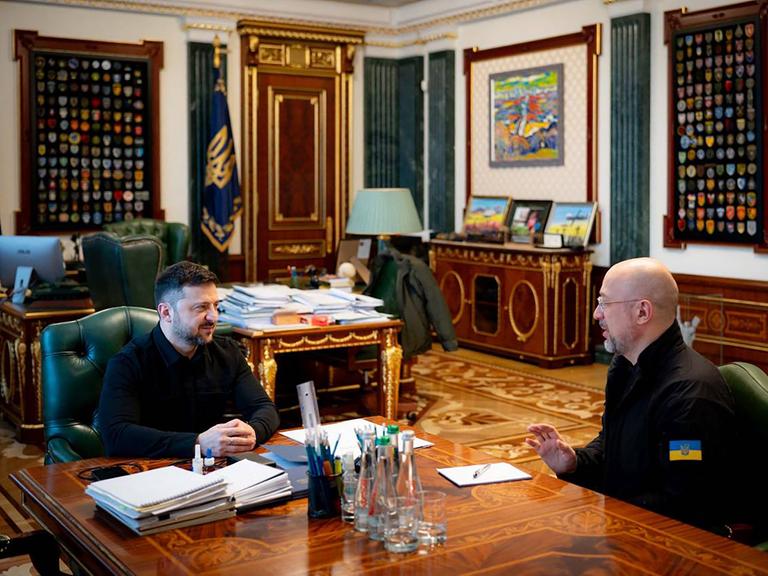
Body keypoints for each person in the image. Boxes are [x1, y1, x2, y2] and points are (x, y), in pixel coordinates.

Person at [525, 257, 735, 533]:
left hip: (672, 543)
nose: (597, 314)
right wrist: (575, 462)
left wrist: (605, 514)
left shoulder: (690, 394)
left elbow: (683, 506)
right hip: (624, 526)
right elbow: (611, 445)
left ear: (642, 312)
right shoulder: (625, 366)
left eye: (604, 303)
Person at [98, 261, 279, 458]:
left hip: (215, 467)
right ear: (166, 312)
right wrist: (198, 443)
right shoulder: (128, 362)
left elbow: (265, 408)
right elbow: (116, 435)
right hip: (152, 469)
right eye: (201, 307)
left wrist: (253, 431)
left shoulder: (227, 352)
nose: (214, 317)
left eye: (216, 306)